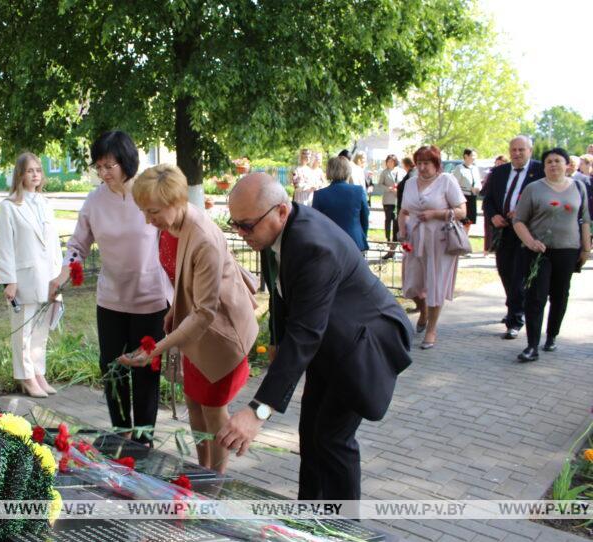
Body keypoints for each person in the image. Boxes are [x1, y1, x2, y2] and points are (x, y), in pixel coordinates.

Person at [216, 173, 412, 501]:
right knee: (310, 434)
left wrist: (257, 412)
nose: (240, 233)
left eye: (246, 226)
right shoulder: (269, 234)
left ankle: (346, 535)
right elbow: (281, 296)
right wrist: (277, 342)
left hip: (363, 345)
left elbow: (305, 334)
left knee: (333, 440)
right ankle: (308, 517)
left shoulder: (312, 246)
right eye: (234, 224)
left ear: (281, 211)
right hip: (329, 343)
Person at [118, 164, 258, 472]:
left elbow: (205, 312)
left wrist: (157, 348)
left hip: (219, 334)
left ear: (177, 202)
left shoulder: (203, 239)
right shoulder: (170, 226)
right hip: (193, 331)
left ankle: (214, 482)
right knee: (194, 402)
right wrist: (173, 311)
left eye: (152, 211)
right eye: (144, 211)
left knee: (212, 408)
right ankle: (201, 469)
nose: (147, 219)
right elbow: (185, 283)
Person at [49, 131, 171, 445]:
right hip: (112, 299)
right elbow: (78, 244)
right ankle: (121, 432)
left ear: (126, 163)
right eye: (99, 167)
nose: (103, 174)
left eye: (109, 166)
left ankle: (144, 439)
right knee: (112, 368)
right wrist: (63, 275)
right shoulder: (94, 200)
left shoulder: (148, 194)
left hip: (150, 298)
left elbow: (170, 236)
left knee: (145, 370)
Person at [512, 148, 591, 362]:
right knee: (536, 298)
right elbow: (518, 220)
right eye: (549, 161)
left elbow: (584, 219)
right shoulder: (534, 189)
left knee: (560, 295)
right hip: (540, 252)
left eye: (558, 161)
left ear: (567, 165)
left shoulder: (579, 187)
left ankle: (552, 336)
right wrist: (530, 242)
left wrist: (585, 249)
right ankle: (532, 346)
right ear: (544, 166)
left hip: (568, 250)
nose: (553, 165)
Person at [0, 153, 63, 397]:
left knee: (41, 330)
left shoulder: (45, 204)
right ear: (20, 175)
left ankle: (38, 372)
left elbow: (54, 243)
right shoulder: (9, 206)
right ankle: (25, 376)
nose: (35, 174)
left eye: (38, 170)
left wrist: (58, 276)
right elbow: (4, 246)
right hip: (24, 277)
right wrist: (9, 280)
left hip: (48, 277)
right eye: (29, 171)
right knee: (23, 330)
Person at [397, 145, 467, 350]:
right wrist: (402, 232)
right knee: (411, 285)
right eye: (419, 163)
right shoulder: (410, 183)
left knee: (435, 284)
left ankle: (432, 329)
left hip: (440, 240)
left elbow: (462, 211)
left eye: (426, 163)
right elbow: (403, 211)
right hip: (414, 239)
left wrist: (437, 214)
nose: (422, 167)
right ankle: (423, 310)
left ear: (436, 164)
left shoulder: (447, 181)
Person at [482, 136, 545, 339]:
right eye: (513, 150)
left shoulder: (540, 171)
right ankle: (516, 305)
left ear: (530, 150)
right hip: (504, 231)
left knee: (519, 274)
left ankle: (515, 319)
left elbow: (545, 200)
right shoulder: (500, 172)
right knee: (505, 271)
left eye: (521, 150)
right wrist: (493, 215)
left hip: (527, 230)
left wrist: (522, 212)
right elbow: (488, 199)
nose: (517, 154)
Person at [312, 156, 370, 251]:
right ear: (348, 170)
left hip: (329, 244)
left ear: (329, 171)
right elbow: (365, 218)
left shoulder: (320, 195)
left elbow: (316, 224)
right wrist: (362, 236)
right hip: (355, 242)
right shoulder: (359, 191)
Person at [378, 154, 406, 254]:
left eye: (392, 161)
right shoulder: (384, 172)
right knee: (388, 219)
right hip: (388, 199)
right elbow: (379, 184)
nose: (390, 163)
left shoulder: (401, 171)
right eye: (388, 161)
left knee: (396, 221)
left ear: (395, 162)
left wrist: (398, 189)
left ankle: (395, 240)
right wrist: (388, 189)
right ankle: (388, 239)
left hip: (398, 200)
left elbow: (404, 184)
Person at [482, 155, 509, 255]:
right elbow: (485, 190)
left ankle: (498, 248)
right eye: (497, 164)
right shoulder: (492, 173)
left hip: (503, 207)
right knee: (488, 228)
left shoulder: (509, 174)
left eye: (501, 164)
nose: (498, 166)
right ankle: (487, 249)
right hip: (490, 205)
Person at [451, 148, 481, 235]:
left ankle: (465, 237)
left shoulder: (475, 168)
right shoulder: (459, 168)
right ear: (466, 156)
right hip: (463, 198)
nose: (474, 158)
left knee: (469, 221)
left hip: (472, 197)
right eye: (472, 156)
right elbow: (454, 185)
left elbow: (478, 182)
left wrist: (477, 187)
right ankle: (460, 238)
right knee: (462, 220)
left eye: (475, 156)